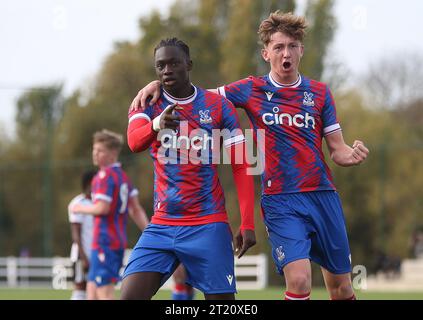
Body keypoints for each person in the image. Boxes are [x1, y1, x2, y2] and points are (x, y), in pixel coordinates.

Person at [130, 12, 370, 300]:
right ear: (266, 53)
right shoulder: (250, 89)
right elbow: (194, 95)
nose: (286, 53)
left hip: (323, 196)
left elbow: (338, 149)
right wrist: (157, 84)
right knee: (300, 281)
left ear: (301, 50)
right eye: (279, 47)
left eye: (292, 46)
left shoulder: (319, 93)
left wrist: (351, 154)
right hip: (280, 199)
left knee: (342, 289)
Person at [121, 37, 256, 300]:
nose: (167, 70)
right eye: (161, 66)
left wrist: (247, 221)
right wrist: (157, 124)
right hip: (162, 225)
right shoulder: (147, 103)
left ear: (189, 64)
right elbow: (134, 142)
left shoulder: (219, 106)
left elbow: (242, 164)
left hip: (208, 224)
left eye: (174, 63)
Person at [71, 129, 149, 300]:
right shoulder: (123, 177)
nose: (95, 154)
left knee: (104, 293)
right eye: (94, 149)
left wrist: (79, 208)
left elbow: (102, 208)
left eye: (100, 150)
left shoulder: (103, 176)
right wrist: (150, 232)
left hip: (104, 242)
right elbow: (135, 209)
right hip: (114, 242)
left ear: (113, 153)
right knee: (91, 292)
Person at [67, 169, 97, 300]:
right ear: (88, 184)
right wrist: (84, 258)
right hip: (81, 255)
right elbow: (76, 235)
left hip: (96, 253)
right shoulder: (77, 203)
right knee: (80, 287)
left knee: (95, 288)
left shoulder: (99, 203)